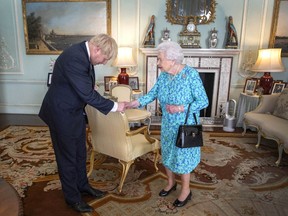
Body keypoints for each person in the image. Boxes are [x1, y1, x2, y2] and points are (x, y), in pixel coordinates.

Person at [39, 34, 126, 213]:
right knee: (67, 157)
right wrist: (116, 106)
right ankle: (72, 198)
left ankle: (83, 186)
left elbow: (84, 87)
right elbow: (87, 93)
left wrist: (87, 87)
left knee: (79, 152)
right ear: (97, 49)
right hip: (61, 113)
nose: (104, 62)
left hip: (75, 111)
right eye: (105, 57)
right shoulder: (74, 57)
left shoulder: (83, 54)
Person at [126, 41, 208, 207]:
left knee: (183, 158)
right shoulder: (164, 75)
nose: (158, 63)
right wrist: (134, 103)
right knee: (168, 153)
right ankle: (171, 183)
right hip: (168, 124)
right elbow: (153, 93)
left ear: (172, 60)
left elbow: (204, 101)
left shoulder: (190, 75)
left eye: (159, 59)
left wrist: (180, 108)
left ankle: (186, 190)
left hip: (185, 125)